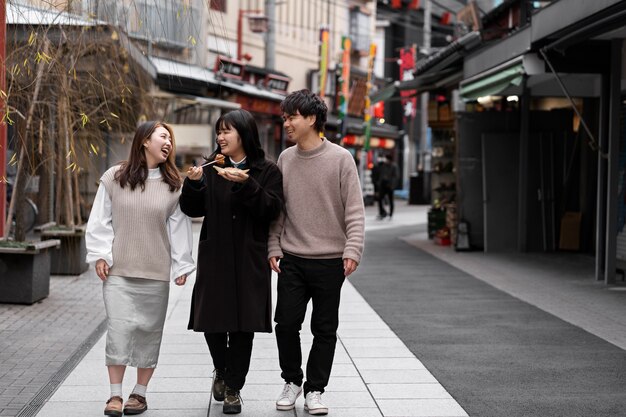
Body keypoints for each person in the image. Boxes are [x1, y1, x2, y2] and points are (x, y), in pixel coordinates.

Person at [86, 121, 196, 417]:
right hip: (119, 271)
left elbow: (180, 227)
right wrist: (100, 255)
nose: (169, 143)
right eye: (163, 137)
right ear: (145, 140)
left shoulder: (173, 184)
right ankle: (114, 396)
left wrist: (182, 264)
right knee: (119, 330)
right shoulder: (115, 176)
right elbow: (100, 219)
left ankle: (140, 393)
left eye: (170, 139)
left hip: (156, 272)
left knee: (149, 331)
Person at [268, 89, 365, 415]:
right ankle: (292, 380)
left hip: (330, 260)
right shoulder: (285, 159)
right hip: (292, 258)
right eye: (285, 117)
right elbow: (280, 210)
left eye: (291, 116)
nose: (287, 123)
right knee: (285, 323)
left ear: (311, 118)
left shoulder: (341, 159)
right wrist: (273, 245)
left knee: (324, 329)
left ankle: (315, 389)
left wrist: (353, 248)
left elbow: (354, 210)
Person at [181, 109, 284, 415]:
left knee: (243, 326)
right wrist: (196, 184)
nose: (220, 137)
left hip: (249, 256)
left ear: (244, 134)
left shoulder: (266, 170)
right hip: (216, 255)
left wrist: (245, 184)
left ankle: (233, 389)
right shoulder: (211, 167)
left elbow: (272, 210)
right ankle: (223, 372)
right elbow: (191, 209)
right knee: (212, 321)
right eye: (219, 132)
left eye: (227, 131)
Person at [371, 153, 398, 220]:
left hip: (390, 186)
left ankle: (391, 214)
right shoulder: (383, 165)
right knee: (380, 198)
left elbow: (395, 176)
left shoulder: (394, 166)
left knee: (391, 200)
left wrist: (392, 185)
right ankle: (382, 212)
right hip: (383, 185)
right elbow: (380, 174)